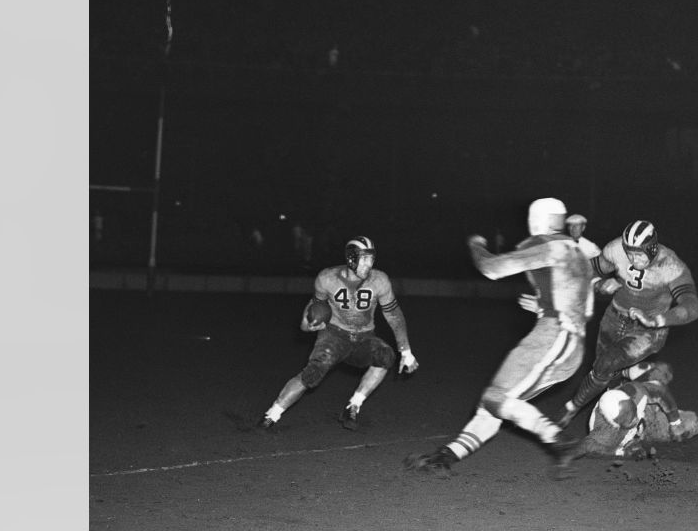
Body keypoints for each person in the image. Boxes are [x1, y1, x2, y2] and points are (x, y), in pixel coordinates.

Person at [405, 199, 601, 477]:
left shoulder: (543, 243)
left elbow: (491, 268)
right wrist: (547, 304)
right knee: (494, 404)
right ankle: (445, 458)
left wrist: (475, 244)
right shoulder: (577, 252)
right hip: (570, 343)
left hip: (554, 336)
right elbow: (586, 305)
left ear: (537, 220)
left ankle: (559, 441)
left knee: (496, 397)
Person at [257, 236, 419, 431]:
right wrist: (308, 325)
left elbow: (393, 314)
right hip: (334, 335)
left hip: (364, 337)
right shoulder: (327, 278)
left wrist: (406, 351)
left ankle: (353, 406)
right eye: (364, 258)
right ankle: (271, 415)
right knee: (312, 374)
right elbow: (312, 310)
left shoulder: (379, 280)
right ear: (351, 258)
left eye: (371, 258)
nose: (370, 263)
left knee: (385, 356)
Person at [555, 219, 698, 428]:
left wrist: (658, 320)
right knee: (603, 372)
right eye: (629, 253)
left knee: (606, 364)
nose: (633, 259)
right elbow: (592, 268)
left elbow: (693, 306)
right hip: (614, 317)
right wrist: (598, 284)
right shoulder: (616, 249)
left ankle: (570, 409)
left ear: (652, 249)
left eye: (639, 254)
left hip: (648, 330)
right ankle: (632, 410)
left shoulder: (670, 264)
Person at [574, 360, 698, 461]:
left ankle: (625, 373)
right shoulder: (604, 434)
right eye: (628, 420)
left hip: (644, 410)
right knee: (693, 423)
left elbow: (660, 390)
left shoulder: (634, 393)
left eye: (632, 414)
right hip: (645, 429)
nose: (634, 420)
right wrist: (621, 452)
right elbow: (587, 447)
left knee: (663, 369)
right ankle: (623, 376)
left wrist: (675, 423)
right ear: (613, 422)